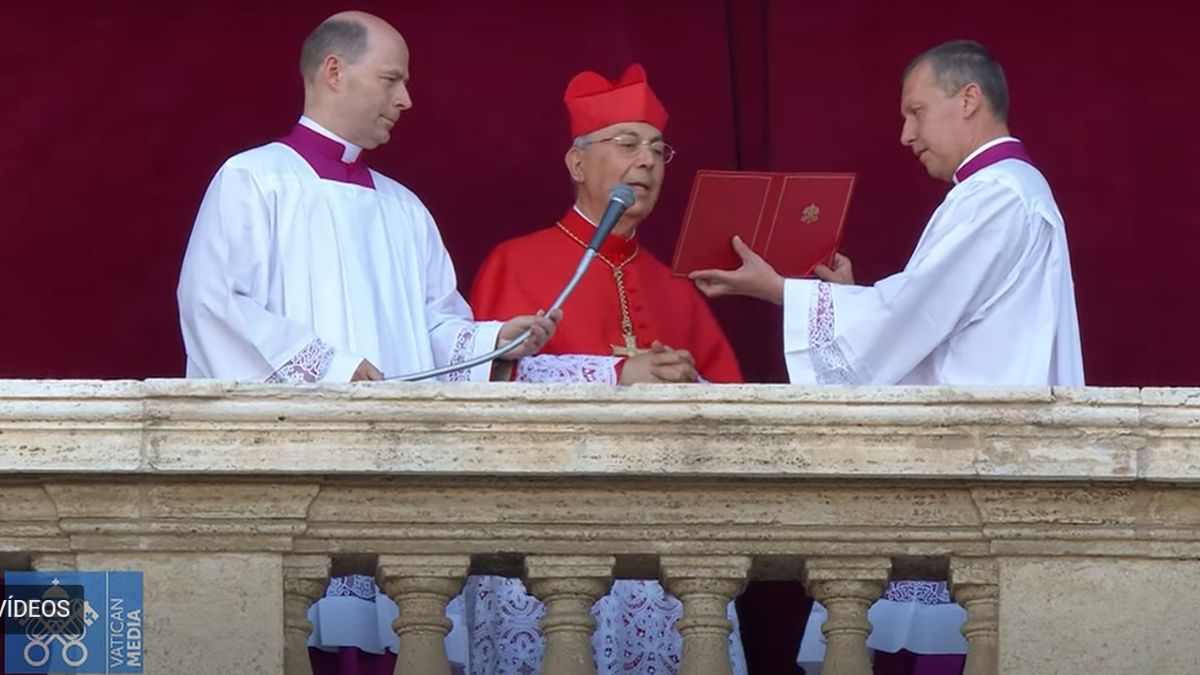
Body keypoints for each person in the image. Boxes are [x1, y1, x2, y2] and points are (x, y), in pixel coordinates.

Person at [176, 11, 566, 674]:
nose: (405, 99)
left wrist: (494, 338)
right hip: (291, 477)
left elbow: (436, 331)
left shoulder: (404, 208)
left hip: (396, 481)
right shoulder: (254, 180)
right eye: (391, 79)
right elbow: (213, 304)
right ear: (334, 71)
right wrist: (333, 367)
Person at [691, 39, 1084, 673]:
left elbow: (911, 316)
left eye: (916, 112)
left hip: (975, 469)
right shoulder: (1000, 190)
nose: (905, 134)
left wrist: (781, 291)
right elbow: (935, 321)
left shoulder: (997, 195)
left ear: (968, 98)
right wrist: (849, 303)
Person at [463, 64, 747, 675]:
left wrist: (686, 382)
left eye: (658, 148)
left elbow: (734, 410)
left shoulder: (676, 285)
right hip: (546, 538)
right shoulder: (515, 262)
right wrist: (616, 377)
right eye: (626, 144)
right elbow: (481, 395)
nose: (647, 161)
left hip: (663, 551)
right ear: (577, 163)